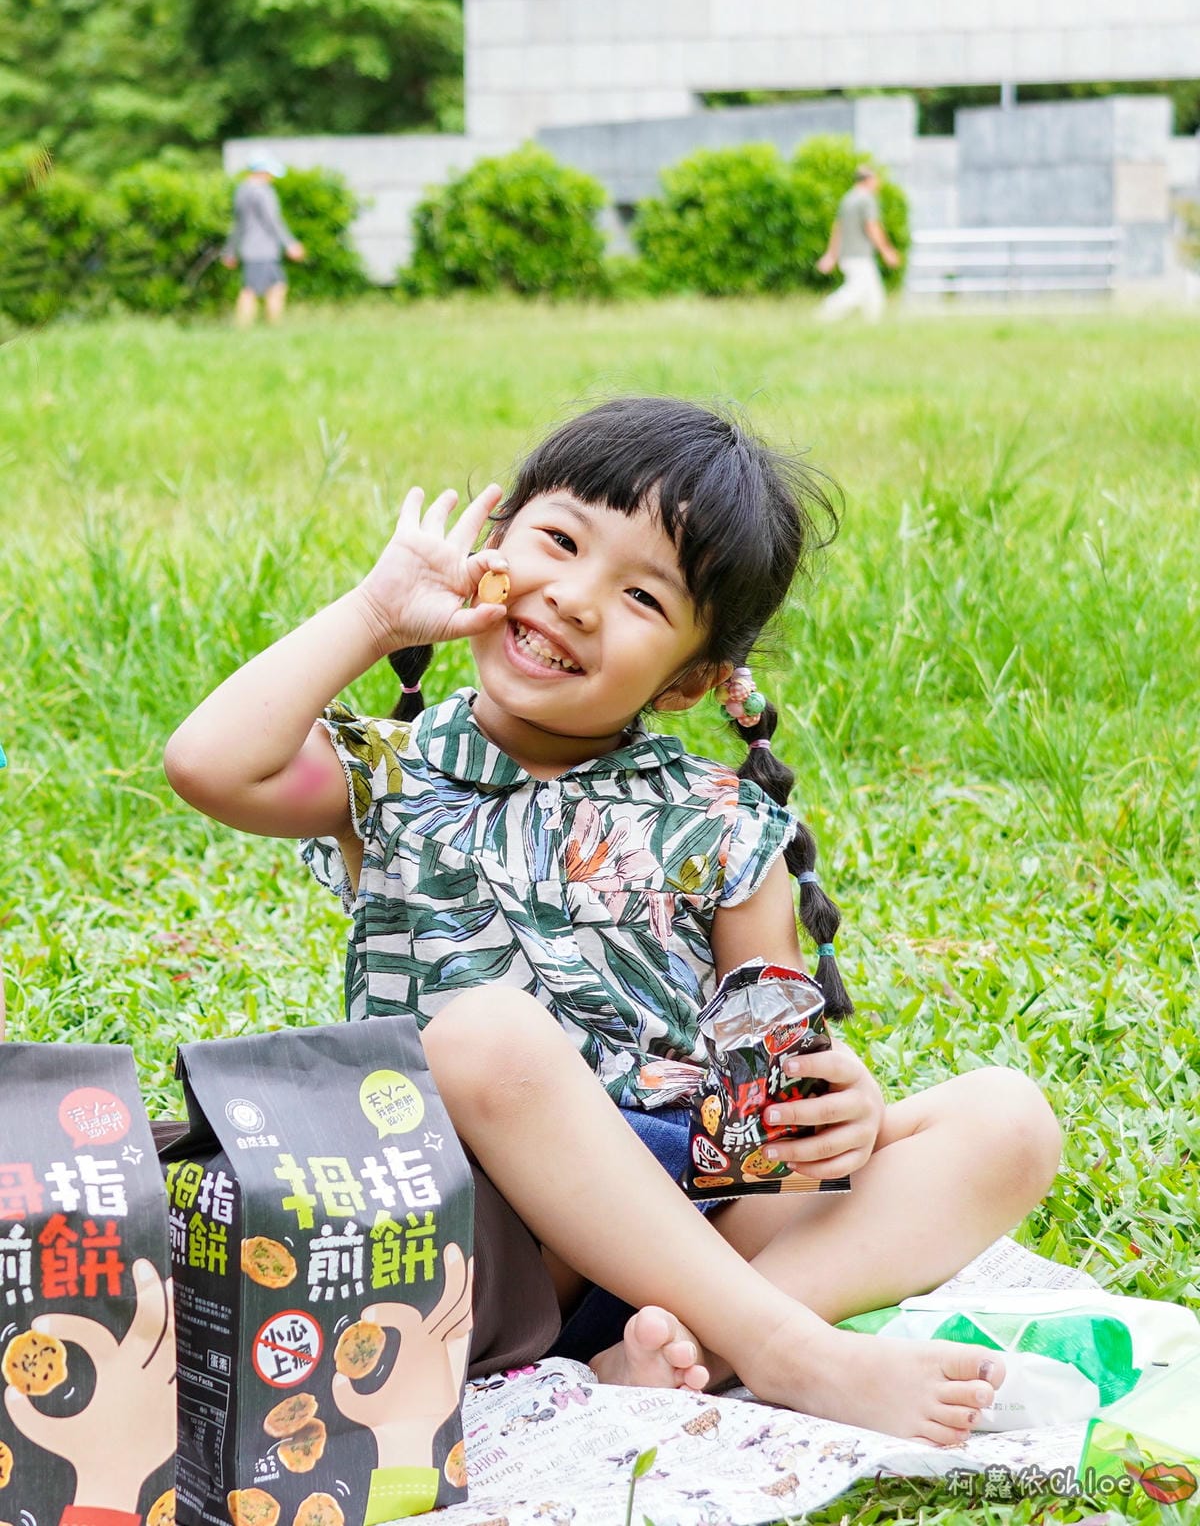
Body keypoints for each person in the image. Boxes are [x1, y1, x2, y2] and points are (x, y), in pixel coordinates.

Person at [164, 396, 1061, 1443]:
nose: (577, 598)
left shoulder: (725, 829)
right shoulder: (390, 773)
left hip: (680, 1223)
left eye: (641, 594)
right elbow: (208, 763)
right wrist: (374, 613)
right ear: (491, 554)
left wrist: (836, 1112)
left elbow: (757, 1104)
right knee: (488, 1035)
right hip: (467, 1237)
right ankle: (787, 1352)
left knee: (1007, 1121)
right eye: (557, 541)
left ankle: (686, 1355)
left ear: (690, 681)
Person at [221, 154, 305, 328]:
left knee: (277, 286)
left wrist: (230, 250)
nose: (272, 178)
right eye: (270, 173)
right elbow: (273, 220)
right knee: (251, 290)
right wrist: (290, 244)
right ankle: (245, 329)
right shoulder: (262, 191)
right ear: (261, 172)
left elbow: (238, 225)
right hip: (262, 249)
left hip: (250, 249)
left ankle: (272, 327)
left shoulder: (241, 190)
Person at [816, 165, 901, 322]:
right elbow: (872, 227)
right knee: (854, 292)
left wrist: (832, 254)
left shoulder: (848, 199)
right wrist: (886, 251)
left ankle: (873, 327)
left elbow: (838, 228)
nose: (878, 184)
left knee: (874, 295)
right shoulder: (866, 199)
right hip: (859, 255)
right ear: (868, 180)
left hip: (848, 255)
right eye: (876, 180)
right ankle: (824, 315)